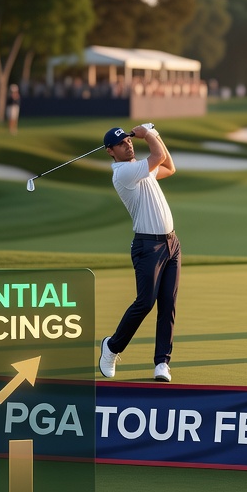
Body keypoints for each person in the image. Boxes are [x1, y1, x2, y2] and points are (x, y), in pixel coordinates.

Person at [98, 123, 180, 383]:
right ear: (110, 151)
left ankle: (162, 363)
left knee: (168, 304)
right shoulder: (124, 172)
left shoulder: (140, 170)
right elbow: (158, 156)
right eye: (121, 144)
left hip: (171, 244)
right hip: (148, 246)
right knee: (145, 302)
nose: (128, 145)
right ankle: (112, 347)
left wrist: (155, 135)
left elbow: (169, 167)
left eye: (129, 140)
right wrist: (149, 134)